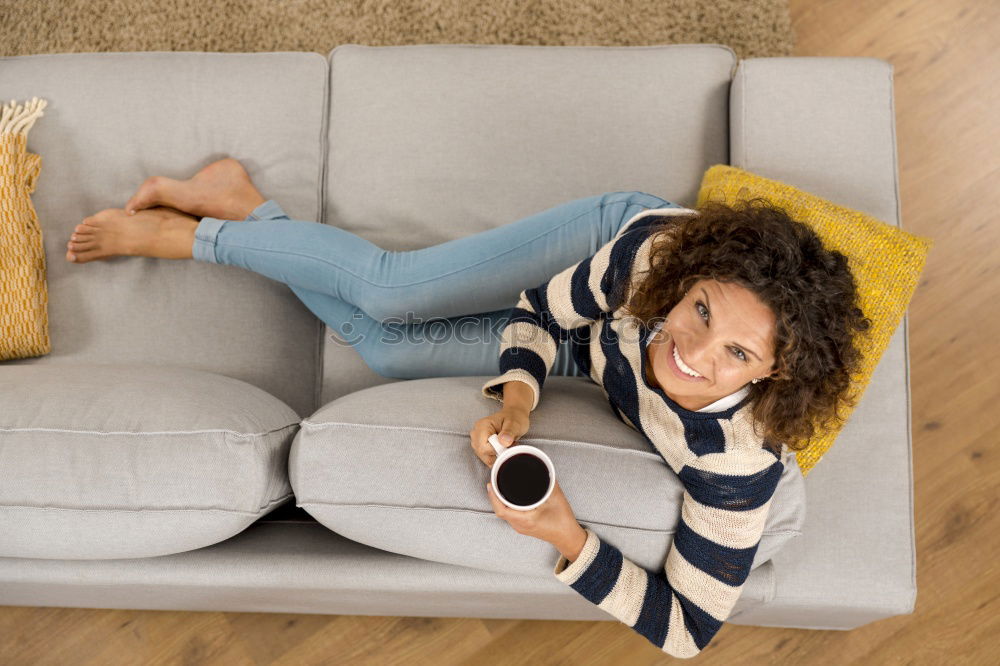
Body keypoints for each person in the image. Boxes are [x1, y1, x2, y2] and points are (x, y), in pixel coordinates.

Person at [65, 158, 871, 658]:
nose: (692, 353)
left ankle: (246, 207)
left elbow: (688, 631)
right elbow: (542, 314)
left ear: (772, 374)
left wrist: (565, 534)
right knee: (389, 290)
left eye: (737, 353)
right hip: (589, 274)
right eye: (700, 313)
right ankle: (193, 237)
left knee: (383, 348)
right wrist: (519, 394)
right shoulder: (652, 258)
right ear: (689, 286)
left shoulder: (734, 462)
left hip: (590, 357)